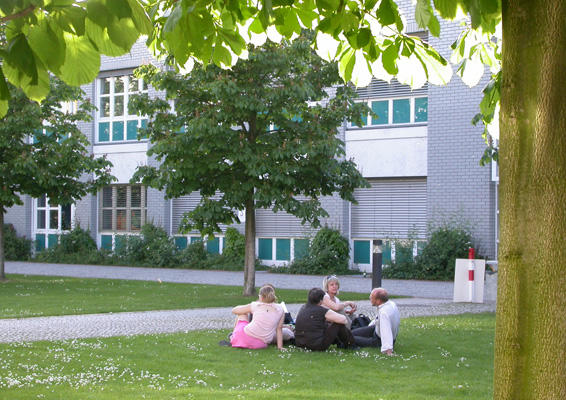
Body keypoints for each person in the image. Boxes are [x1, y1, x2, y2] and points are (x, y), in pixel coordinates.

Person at [229, 284, 284, 350]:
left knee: (242, 314)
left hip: (243, 337)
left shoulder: (256, 305)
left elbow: (234, 310)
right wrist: (280, 347)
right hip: (260, 344)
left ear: (260, 297)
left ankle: (233, 336)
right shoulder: (280, 309)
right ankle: (234, 336)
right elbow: (279, 328)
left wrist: (246, 307)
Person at [352, 287, 400, 355]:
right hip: (376, 329)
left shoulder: (384, 313)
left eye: (371, 297)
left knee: (350, 338)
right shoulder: (391, 304)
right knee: (351, 333)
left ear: (378, 300)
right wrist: (368, 328)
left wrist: (388, 350)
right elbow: (377, 320)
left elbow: (386, 331)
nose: (369, 298)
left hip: (378, 340)